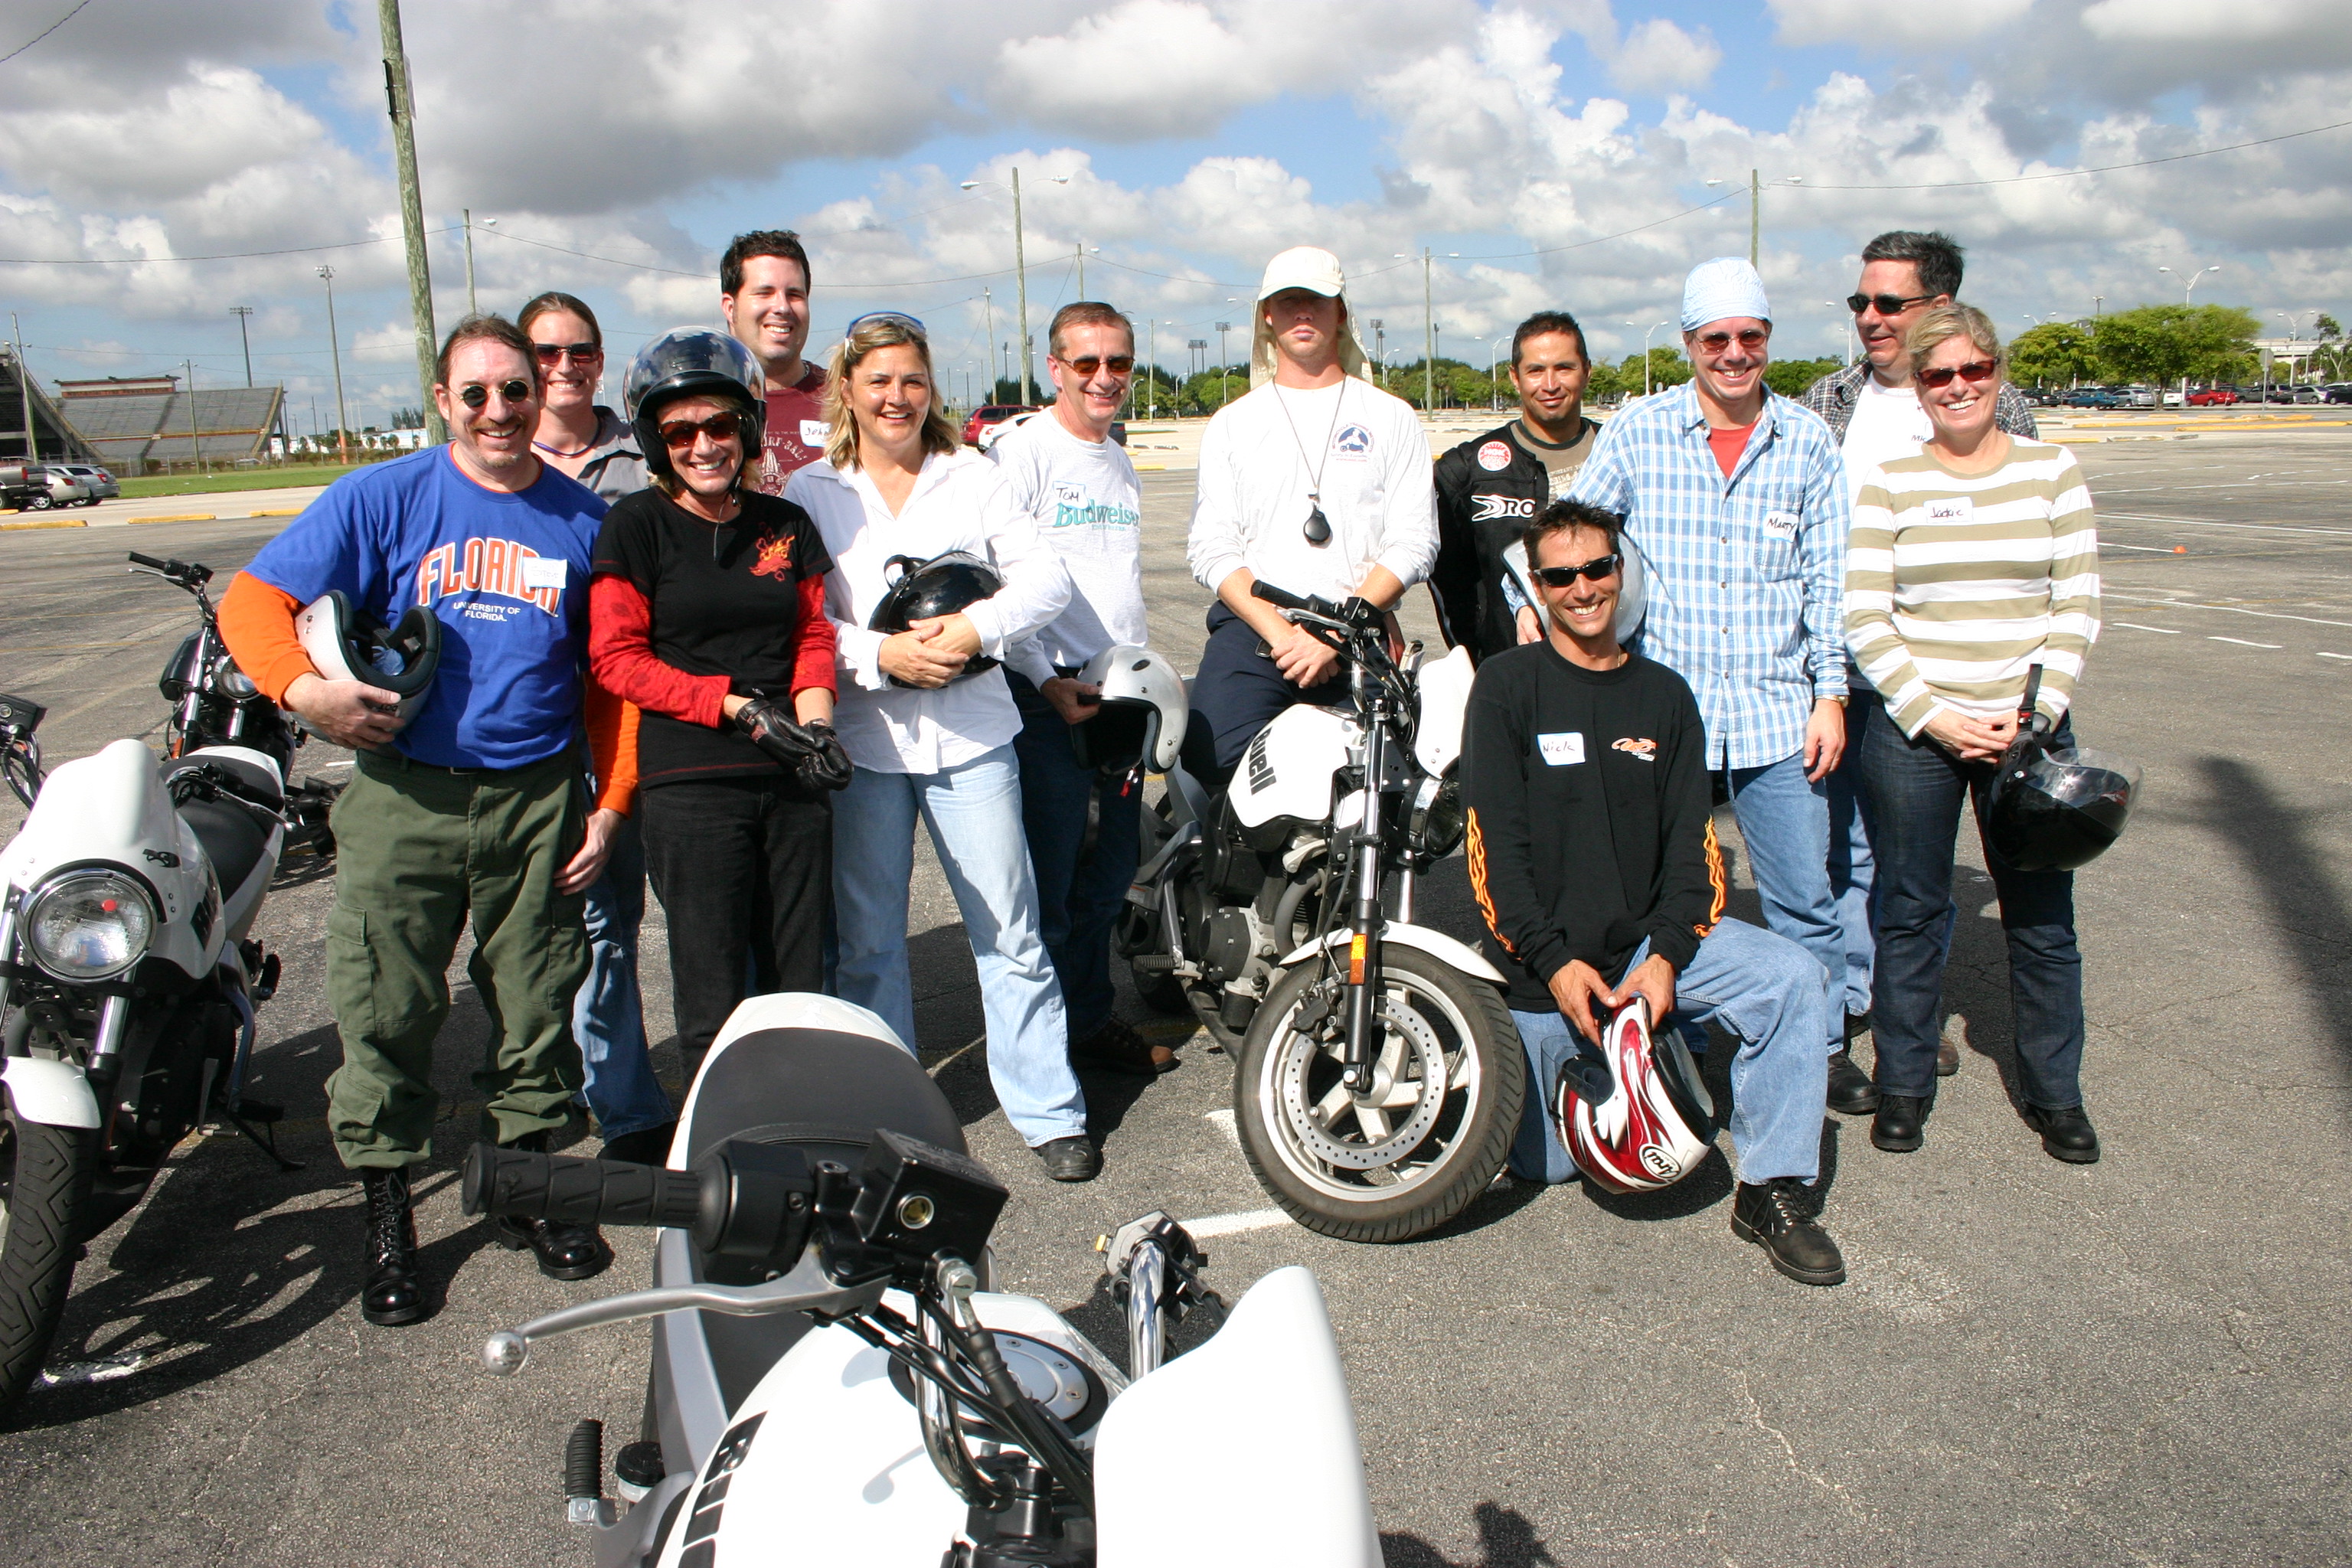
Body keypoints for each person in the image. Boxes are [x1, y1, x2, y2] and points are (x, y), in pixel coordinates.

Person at [215, 315, 629, 1325]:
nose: (498, 409)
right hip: (405, 794)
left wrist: (611, 803)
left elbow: (610, 685)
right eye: (475, 392)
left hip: (537, 797)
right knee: (387, 1008)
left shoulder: (584, 521)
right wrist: (304, 692)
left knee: (536, 1003)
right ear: (444, 400)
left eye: (515, 389)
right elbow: (252, 602)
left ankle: (524, 1186)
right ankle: (389, 1210)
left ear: (541, 395)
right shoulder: (383, 496)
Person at [1462, 498, 1844, 1287]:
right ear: (1537, 585)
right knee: (1551, 1164)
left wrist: (1666, 957)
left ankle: (1772, 1189)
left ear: (1620, 569)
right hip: (1544, 967)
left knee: (1793, 977)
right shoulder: (1504, 687)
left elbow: (1694, 856)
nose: (1582, 588)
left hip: (1642, 946)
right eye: (1560, 576)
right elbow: (1495, 857)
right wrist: (1554, 964)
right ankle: (1603, 1054)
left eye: (1596, 568)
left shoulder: (1665, 695)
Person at [784, 313, 1099, 1181]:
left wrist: (973, 628)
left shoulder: (973, 475)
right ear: (847, 389)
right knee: (870, 941)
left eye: (913, 380)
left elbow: (1045, 580)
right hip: (865, 739)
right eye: (879, 380)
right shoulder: (812, 489)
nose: (897, 397)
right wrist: (878, 655)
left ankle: (1048, 1110)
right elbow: (804, 619)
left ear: (932, 387)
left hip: (972, 735)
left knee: (1009, 927)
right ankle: (886, 1110)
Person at [1569, 258, 1867, 1116]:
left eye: (1750, 337)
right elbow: (1575, 533)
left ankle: (1822, 1043)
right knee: (1669, 895)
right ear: (1689, 343)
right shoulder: (1641, 431)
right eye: (1716, 340)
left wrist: (1831, 694)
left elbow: (1829, 581)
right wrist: (1533, 612)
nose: (1734, 354)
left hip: (1779, 713)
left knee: (1804, 898)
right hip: (1667, 716)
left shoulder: (1806, 440)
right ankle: (1684, 1044)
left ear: (1767, 338)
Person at [1845, 305, 2104, 1163]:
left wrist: (2033, 714)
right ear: (1918, 387)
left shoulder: (2051, 470)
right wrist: (1934, 714)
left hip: (2028, 732)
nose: (1958, 387)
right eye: (1938, 375)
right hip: (1918, 734)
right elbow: (1865, 615)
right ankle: (1904, 1081)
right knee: (1909, 911)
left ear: (1998, 371)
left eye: (1974, 370)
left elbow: (2077, 603)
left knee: (2042, 918)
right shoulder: (1891, 480)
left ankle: (2055, 1093)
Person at [1803, 233, 2040, 1081]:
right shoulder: (1827, 401)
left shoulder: (1998, 407)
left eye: (1888, 303)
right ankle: (1840, 1008)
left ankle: (1908, 1012)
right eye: (1859, 302)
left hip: (1947, 682)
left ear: (1941, 306)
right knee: (1841, 851)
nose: (1869, 318)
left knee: (1920, 869)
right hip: (1842, 668)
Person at [589, 328, 846, 1094]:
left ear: (748, 427)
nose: (704, 445)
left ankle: (801, 1117)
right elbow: (616, 658)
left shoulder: (784, 524)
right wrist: (735, 708)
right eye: (680, 431)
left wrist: (818, 726)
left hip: (790, 774)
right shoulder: (634, 525)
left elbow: (812, 635)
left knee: (800, 974)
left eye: (721, 425)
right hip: (692, 782)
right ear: (655, 440)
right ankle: (719, 1137)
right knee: (712, 984)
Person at [989, 302, 1172, 1077]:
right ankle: (1045, 1049)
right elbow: (999, 584)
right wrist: (1044, 678)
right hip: (1050, 695)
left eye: (1118, 362)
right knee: (1052, 885)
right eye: (1087, 363)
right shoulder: (1023, 453)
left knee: (1108, 877)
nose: (1105, 378)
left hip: (1117, 692)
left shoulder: (1118, 460)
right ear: (1055, 368)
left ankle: (1088, 1020)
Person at [1185, 246, 1437, 777]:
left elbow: (1415, 541)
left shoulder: (1391, 417)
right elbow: (1212, 549)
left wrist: (1336, 633)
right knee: (1215, 757)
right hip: (1257, 630)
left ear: (1341, 312)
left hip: (1357, 630)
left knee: (1373, 778)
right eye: (1288, 301)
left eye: (1317, 301)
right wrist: (1283, 636)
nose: (1303, 313)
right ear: (1267, 315)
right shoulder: (1233, 423)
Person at [519, 290, 671, 1167]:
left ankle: (636, 1095)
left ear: (601, 360)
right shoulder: (494, 461)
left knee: (638, 910)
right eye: (547, 352)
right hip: (542, 724)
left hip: (641, 713)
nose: (565, 367)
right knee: (577, 919)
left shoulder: (643, 459)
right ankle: (601, 1097)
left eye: (581, 351)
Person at [1432, 311, 1604, 661]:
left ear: (1587, 370)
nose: (1550, 384)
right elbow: (1449, 580)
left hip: (1610, 661)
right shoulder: (1465, 470)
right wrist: (1477, 657)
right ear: (1515, 377)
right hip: (1509, 666)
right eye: (1536, 370)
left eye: (1564, 368)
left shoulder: (1619, 454)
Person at [720, 230, 829, 495]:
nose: (782, 307)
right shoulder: (698, 402)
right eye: (765, 293)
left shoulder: (846, 398)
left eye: (794, 294)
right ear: (730, 308)